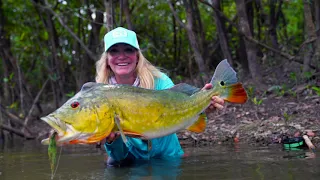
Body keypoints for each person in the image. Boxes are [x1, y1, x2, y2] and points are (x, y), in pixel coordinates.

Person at [95, 27, 224, 167]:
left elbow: (184, 106)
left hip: (168, 157)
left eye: (128, 49)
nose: (121, 56)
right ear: (107, 59)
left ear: (137, 56)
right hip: (132, 164)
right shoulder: (101, 97)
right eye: (114, 51)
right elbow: (119, 156)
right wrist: (112, 141)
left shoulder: (160, 81)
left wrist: (204, 103)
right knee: (113, 164)